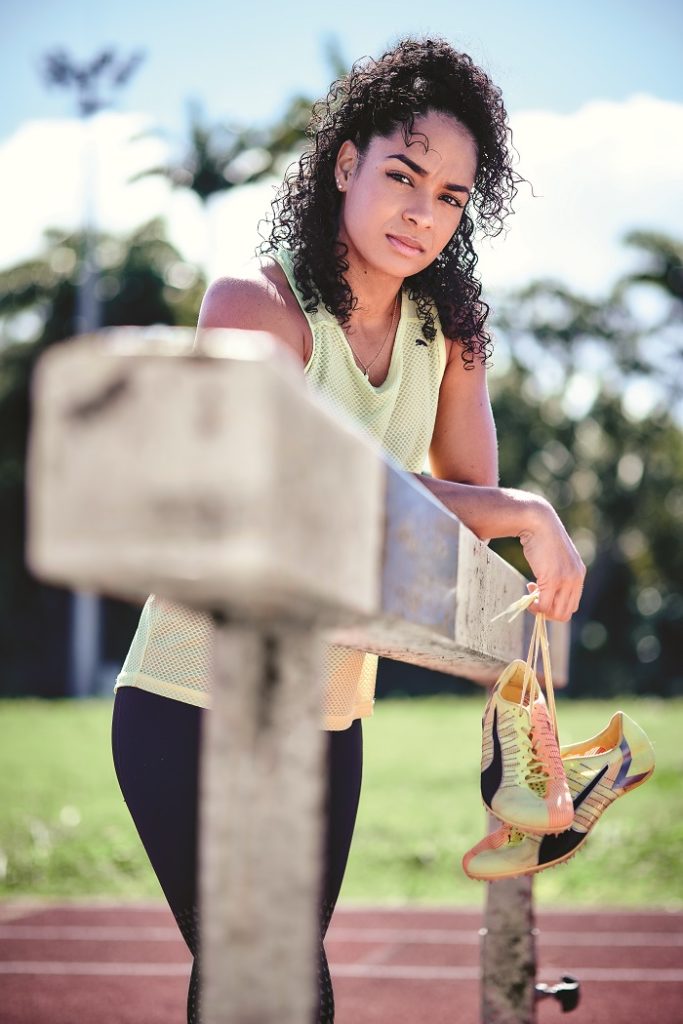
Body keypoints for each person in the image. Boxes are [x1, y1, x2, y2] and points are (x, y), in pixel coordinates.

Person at [111, 36, 586, 1024]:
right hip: (193, 704)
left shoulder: (443, 333)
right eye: (403, 175)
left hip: (327, 719)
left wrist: (497, 500)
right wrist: (524, 514)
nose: (423, 211)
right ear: (344, 165)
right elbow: (304, 498)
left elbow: (448, 518)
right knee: (279, 983)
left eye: (450, 196)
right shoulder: (254, 306)